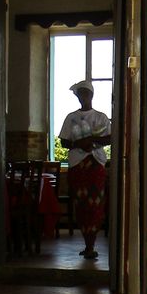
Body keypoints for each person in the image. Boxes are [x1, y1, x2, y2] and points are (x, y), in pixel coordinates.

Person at [59, 80, 112, 260]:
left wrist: (92, 141)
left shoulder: (101, 117)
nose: (83, 97)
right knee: (81, 205)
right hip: (77, 167)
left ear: (91, 95)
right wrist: (78, 143)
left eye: (86, 93)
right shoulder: (70, 118)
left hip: (95, 165)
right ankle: (87, 243)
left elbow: (110, 139)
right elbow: (64, 142)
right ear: (77, 96)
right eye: (80, 94)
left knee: (95, 204)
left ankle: (91, 244)